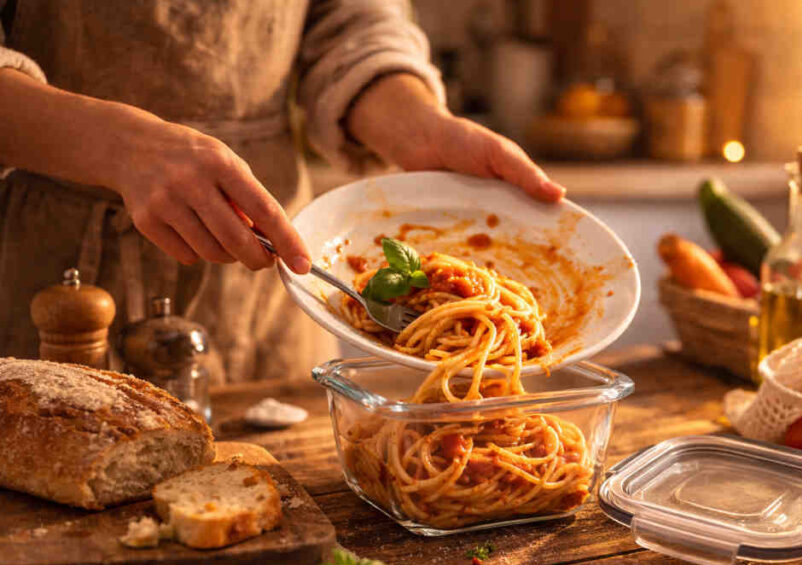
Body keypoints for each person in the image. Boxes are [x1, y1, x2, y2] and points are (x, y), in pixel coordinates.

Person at [0, 0, 565, 382]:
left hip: (271, 275)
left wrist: (419, 126)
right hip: (43, 263)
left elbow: (353, 20)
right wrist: (117, 146)